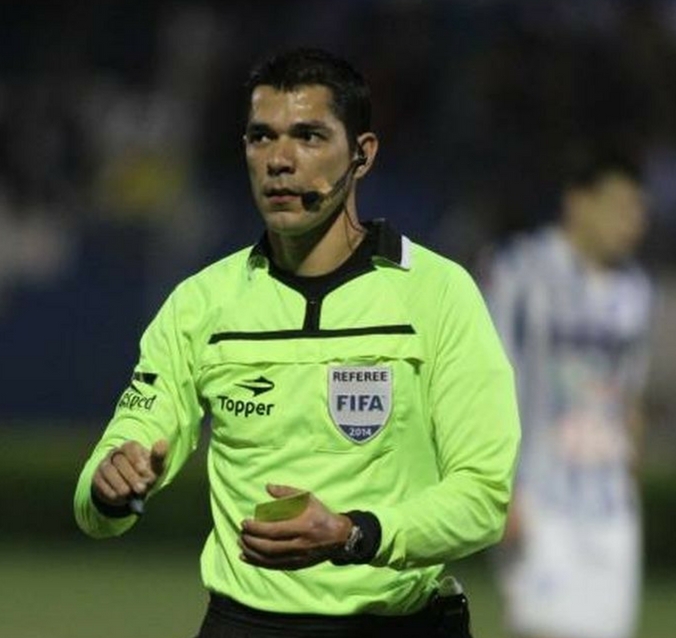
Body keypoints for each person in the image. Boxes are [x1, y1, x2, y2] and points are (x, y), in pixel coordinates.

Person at [73, 47, 520, 638]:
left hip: (399, 625)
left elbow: (483, 498)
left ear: (362, 154)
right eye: (262, 137)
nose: (279, 160)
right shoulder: (202, 303)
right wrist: (111, 482)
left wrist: (354, 534)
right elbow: (111, 477)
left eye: (309, 136)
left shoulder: (438, 294)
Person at [479, 146, 652, 638]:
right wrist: (502, 487)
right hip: (540, 495)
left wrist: (632, 469)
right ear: (578, 202)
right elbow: (491, 379)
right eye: (620, 207)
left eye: (638, 210)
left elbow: (630, 395)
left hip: (610, 504)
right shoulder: (517, 272)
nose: (632, 223)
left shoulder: (636, 290)